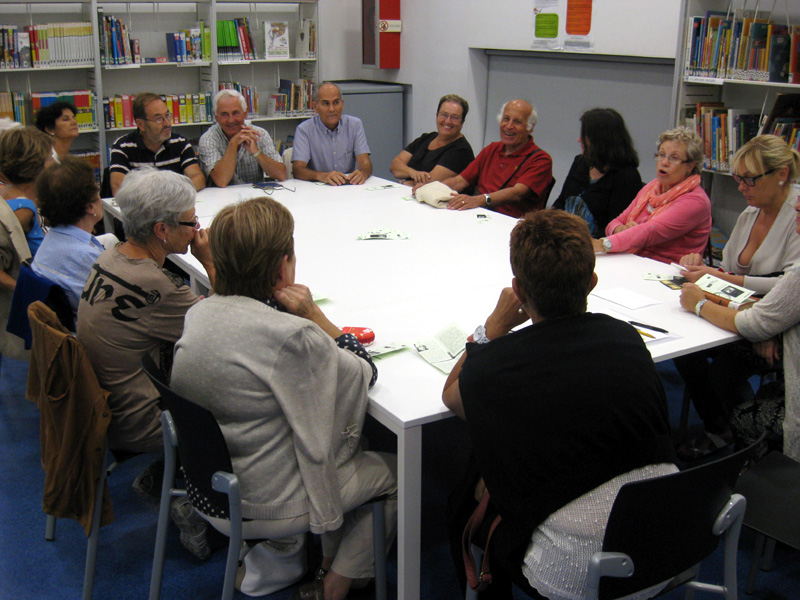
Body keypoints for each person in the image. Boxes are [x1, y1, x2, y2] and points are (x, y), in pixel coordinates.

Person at [170, 197, 397, 600]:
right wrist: (314, 316)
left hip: (210, 483)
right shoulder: (292, 337)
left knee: (332, 438)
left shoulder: (199, 312)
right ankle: (336, 582)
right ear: (282, 267)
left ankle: (327, 562)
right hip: (269, 501)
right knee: (400, 474)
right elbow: (362, 371)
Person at [443, 210, 676, 600]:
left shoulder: (494, 368)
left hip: (574, 573)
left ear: (517, 290)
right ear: (592, 282)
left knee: (469, 485)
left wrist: (491, 329)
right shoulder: (627, 339)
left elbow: (452, 395)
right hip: (669, 544)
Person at [77, 167, 215, 455]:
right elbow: (221, 331)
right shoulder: (157, 285)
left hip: (103, 408)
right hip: (143, 423)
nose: (197, 229)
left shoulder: (111, 255)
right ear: (162, 229)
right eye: (191, 221)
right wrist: (211, 264)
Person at [678, 139, 800, 463]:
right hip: (754, 313)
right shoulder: (751, 213)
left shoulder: (797, 215)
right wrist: (702, 266)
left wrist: (722, 285)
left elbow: (787, 285)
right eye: (738, 178)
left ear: (781, 174)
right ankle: (723, 425)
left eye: (750, 178)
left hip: (778, 323)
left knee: (724, 371)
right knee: (687, 352)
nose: (742, 187)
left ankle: (738, 430)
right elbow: (726, 266)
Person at [592, 126, 711, 264]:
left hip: (667, 271)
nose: (664, 162)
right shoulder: (652, 188)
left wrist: (601, 244)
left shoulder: (695, 201)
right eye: (661, 155)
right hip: (632, 260)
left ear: (690, 166)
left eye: (674, 158)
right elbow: (615, 222)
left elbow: (650, 232)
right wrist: (620, 229)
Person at [437, 99, 553, 218]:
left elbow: (517, 193)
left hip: (513, 226)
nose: (509, 126)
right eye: (506, 119)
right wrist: (431, 188)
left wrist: (479, 200)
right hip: (480, 218)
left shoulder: (541, 160)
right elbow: (460, 181)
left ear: (530, 127)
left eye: (517, 122)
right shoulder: (492, 149)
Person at [32, 156, 118, 318]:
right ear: (90, 207)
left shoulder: (52, 238)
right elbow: (118, 308)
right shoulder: (87, 257)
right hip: (92, 333)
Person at [551, 108, 643, 236]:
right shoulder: (580, 162)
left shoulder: (626, 176)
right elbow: (561, 203)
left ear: (599, 140)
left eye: (584, 136)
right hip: (563, 237)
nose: (579, 140)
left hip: (594, 246)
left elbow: (613, 227)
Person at [109, 93, 205, 196]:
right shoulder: (123, 147)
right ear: (141, 124)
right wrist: (159, 198)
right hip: (140, 209)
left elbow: (198, 178)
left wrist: (171, 195)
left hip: (173, 204)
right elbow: (118, 188)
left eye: (167, 115)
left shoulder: (180, 143)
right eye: (158, 119)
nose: (167, 123)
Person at [197, 89, 287, 187]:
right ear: (216, 117)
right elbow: (221, 181)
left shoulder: (260, 134)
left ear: (245, 113)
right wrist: (233, 144)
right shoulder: (208, 140)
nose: (231, 120)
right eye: (224, 114)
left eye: (236, 113)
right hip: (222, 199)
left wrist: (257, 152)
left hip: (254, 197)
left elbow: (281, 175)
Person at [292, 82, 373, 186]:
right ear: (315, 107)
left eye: (336, 103)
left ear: (342, 105)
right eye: (325, 103)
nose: (332, 109)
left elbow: (365, 164)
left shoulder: (354, 125)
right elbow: (298, 170)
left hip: (347, 188)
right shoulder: (304, 129)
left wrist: (362, 173)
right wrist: (322, 176)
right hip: (318, 189)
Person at [389, 94, 474, 186]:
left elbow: (429, 183)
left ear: (462, 122)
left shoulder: (461, 150)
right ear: (437, 116)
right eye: (444, 115)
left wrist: (404, 181)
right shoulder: (426, 138)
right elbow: (395, 165)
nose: (448, 121)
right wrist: (412, 172)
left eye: (454, 117)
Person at [0, 126, 53, 257]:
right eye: (51, 158)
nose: (55, 163)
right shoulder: (23, 210)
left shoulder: (9, 192)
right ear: (36, 165)